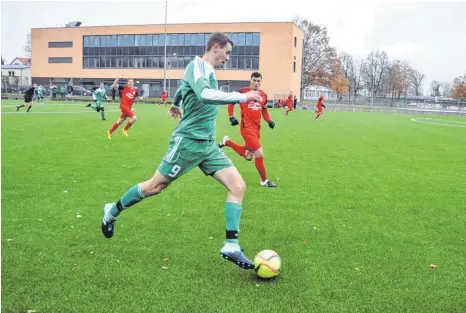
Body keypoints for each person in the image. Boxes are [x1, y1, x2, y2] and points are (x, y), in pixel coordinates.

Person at [101, 32, 260, 270]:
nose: (228, 58)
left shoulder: (206, 70)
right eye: (226, 52)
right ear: (215, 47)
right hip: (187, 142)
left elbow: (184, 87)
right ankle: (112, 211)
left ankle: (231, 245)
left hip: (207, 145)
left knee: (238, 186)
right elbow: (204, 94)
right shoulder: (197, 65)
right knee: (155, 186)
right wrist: (242, 97)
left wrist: (176, 103)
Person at [219, 72, 277, 187]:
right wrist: (231, 117)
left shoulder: (263, 95)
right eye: (254, 80)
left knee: (249, 156)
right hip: (246, 128)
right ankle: (264, 180)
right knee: (259, 153)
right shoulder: (243, 92)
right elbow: (231, 102)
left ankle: (227, 142)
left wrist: (269, 120)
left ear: (261, 81)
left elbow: (264, 110)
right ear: (250, 80)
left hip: (257, 129)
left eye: (258, 81)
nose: (256, 83)